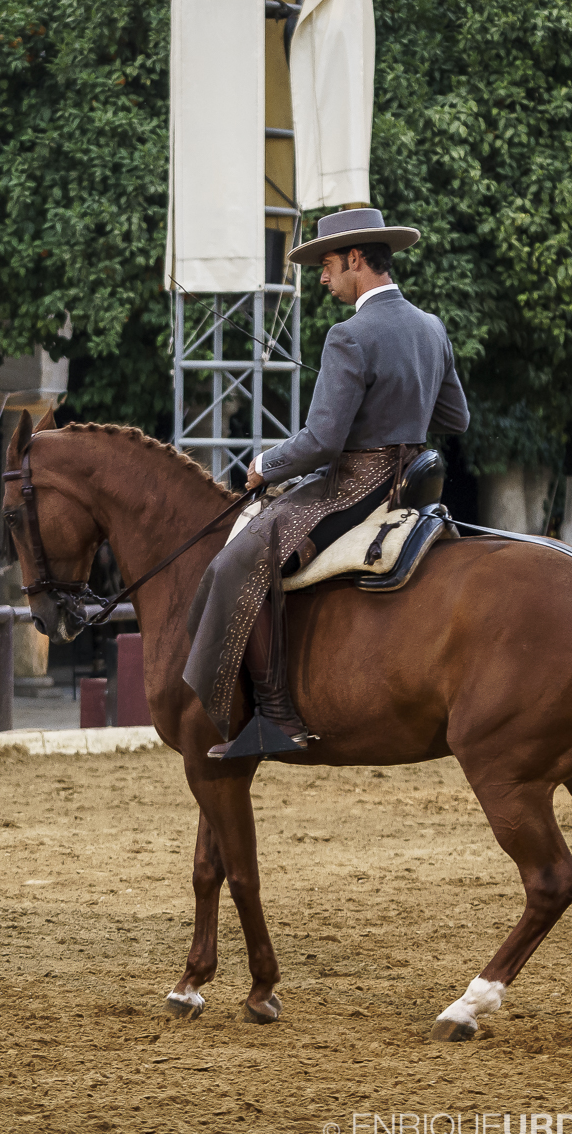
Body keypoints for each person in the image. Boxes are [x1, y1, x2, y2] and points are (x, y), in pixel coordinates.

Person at [184, 207, 469, 759]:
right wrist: (399, 405)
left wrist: (267, 462)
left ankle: (276, 715)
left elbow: (321, 444)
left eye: (327, 265)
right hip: (412, 480)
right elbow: (456, 418)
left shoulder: (349, 335)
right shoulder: (431, 327)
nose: (321, 277)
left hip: (354, 485)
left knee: (238, 560)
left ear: (356, 260)